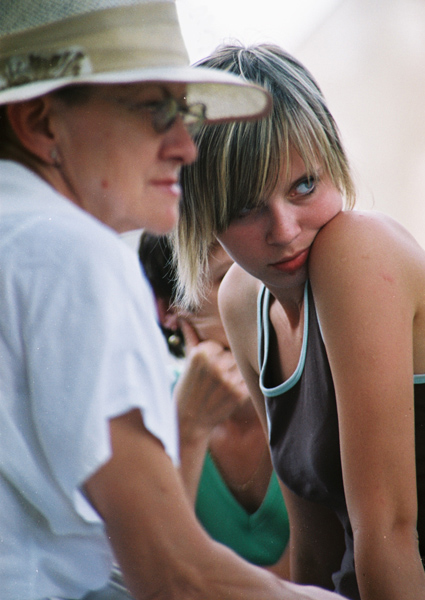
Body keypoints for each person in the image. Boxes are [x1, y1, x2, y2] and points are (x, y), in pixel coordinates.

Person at [0, 1, 345, 598]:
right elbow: (170, 572)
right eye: (156, 110)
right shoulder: (68, 251)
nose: (187, 147)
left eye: (184, 112)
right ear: (41, 123)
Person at [175, 43, 425, 600]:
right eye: (244, 207)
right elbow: (314, 546)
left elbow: (388, 534)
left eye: (304, 186)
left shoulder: (357, 250)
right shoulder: (242, 301)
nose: (284, 229)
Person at [138, 232, 290, 575]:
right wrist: (188, 427)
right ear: (168, 309)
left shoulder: (323, 392)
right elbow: (156, 574)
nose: (262, 290)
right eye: (227, 276)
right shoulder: (143, 415)